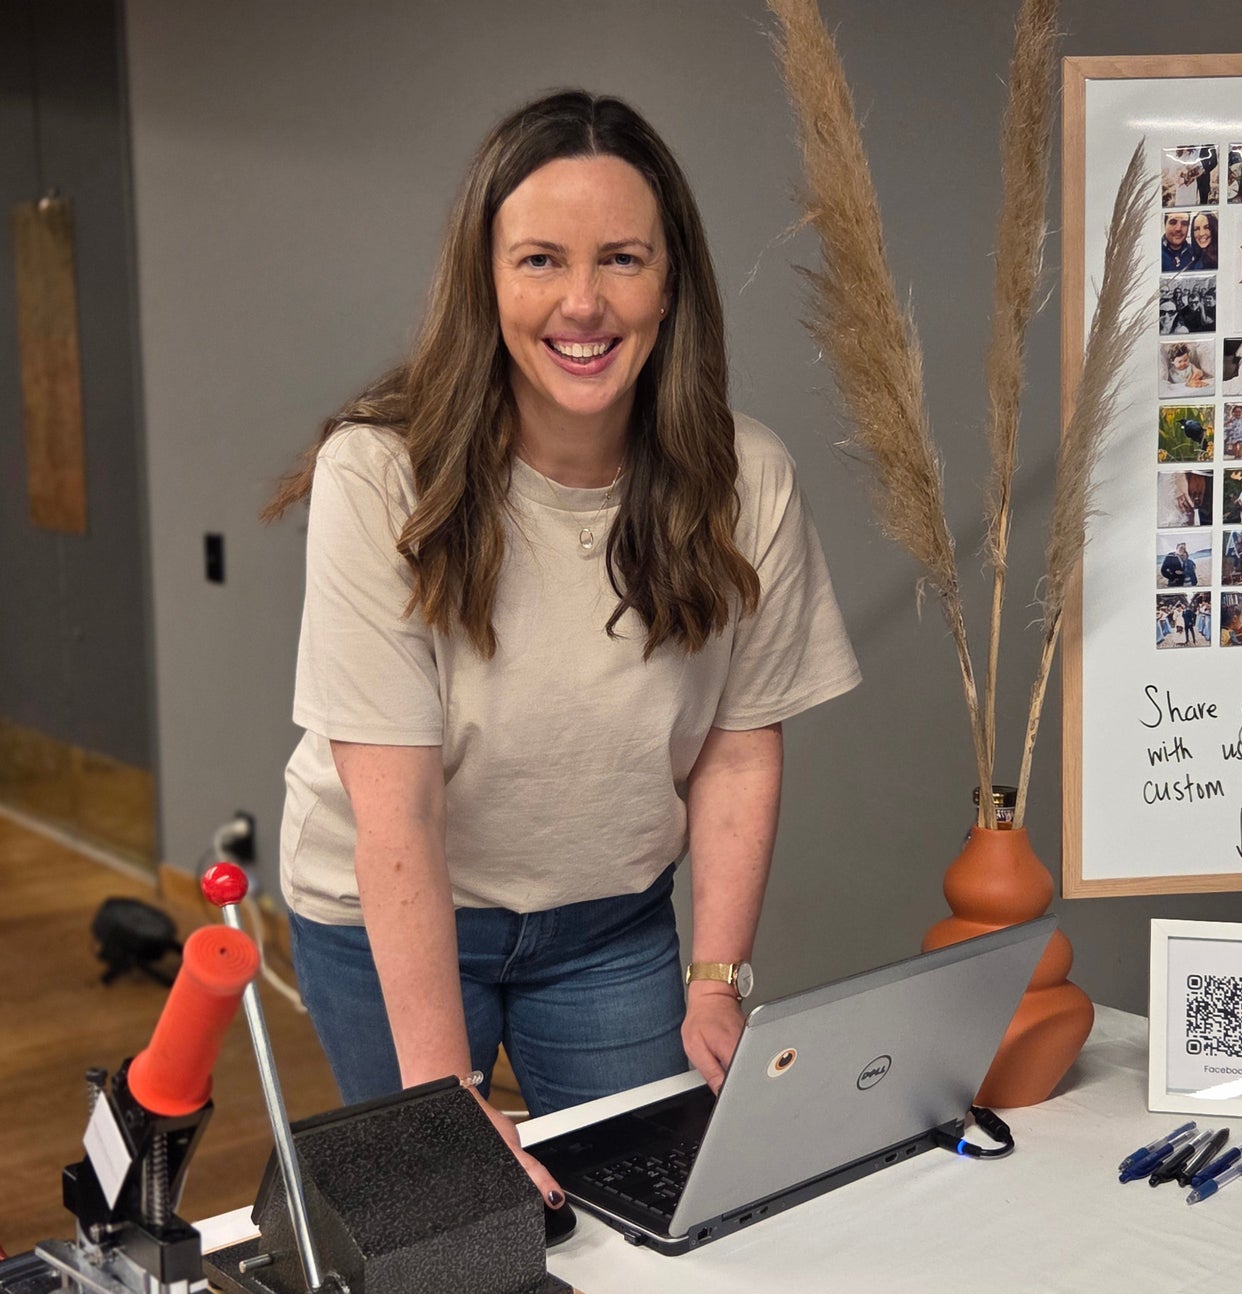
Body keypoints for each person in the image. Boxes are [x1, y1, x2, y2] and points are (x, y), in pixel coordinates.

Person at [264, 92, 861, 1205]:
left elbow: (736, 745)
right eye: (539, 259)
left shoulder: (748, 479)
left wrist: (718, 980)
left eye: (622, 260)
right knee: (445, 1222)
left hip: (608, 921)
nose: (582, 303)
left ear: (670, 281)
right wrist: (445, 1092)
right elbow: (396, 805)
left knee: (654, 1215)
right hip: (383, 907)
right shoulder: (378, 472)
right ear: (485, 279)